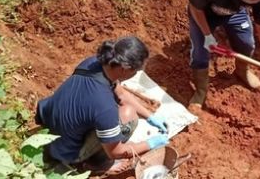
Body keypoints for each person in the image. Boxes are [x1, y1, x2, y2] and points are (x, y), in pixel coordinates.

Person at [36, 36, 170, 173]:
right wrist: (151, 143)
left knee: (122, 112)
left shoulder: (93, 63)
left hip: (48, 130)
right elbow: (116, 152)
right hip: (65, 152)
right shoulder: (104, 107)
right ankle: (98, 163)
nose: (135, 74)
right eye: (135, 71)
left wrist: (150, 117)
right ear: (125, 69)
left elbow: (121, 94)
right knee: (128, 117)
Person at [187, 0, 260, 109]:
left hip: (234, 13)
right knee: (200, 51)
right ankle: (201, 89)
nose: (258, 2)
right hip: (205, 14)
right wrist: (207, 35)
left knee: (246, 43)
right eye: (253, 0)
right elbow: (195, 8)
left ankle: (242, 71)